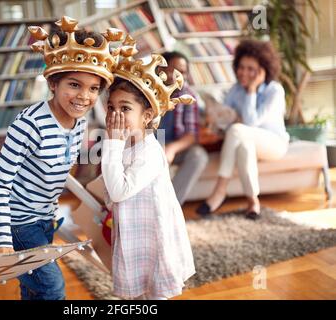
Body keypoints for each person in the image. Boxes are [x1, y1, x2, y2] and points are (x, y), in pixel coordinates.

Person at [0, 16, 123, 300]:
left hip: (45, 219)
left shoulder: (80, 122)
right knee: (51, 287)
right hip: (18, 223)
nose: (84, 96)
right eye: (74, 84)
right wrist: (1, 243)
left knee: (33, 292)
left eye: (94, 88)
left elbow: (58, 169)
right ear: (53, 83)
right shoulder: (29, 124)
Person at [101, 42, 196, 300]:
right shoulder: (121, 144)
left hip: (153, 234)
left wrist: (111, 144)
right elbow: (112, 183)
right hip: (132, 231)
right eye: (111, 107)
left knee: (155, 291)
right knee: (138, 293)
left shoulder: (150, 151)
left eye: (125, 108)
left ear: (147, 116)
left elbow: (119, 190)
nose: (116, 114)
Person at [196, 40, 290, 219]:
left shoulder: (274, 91)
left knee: (239, 130)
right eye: (241, 67)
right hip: (247, 140)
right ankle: (253, 201)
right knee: (243, 145)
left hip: (274, 144)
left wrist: (252, 90)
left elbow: (251, 122)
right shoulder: (235, 90)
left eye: (251, 69)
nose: (244, 73)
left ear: (263, 71)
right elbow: (224, 120)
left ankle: (220, 190)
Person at [158, 51, 208, 206]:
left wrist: (171, 149)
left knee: (199, 156)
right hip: (148, 144)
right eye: (175, 69)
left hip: (174, 147)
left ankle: (170, 206)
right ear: (161, 70)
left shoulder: (188, 95)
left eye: (184, 72)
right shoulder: (147, 90)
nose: (180, 75)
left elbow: (191, 135)